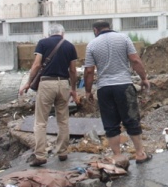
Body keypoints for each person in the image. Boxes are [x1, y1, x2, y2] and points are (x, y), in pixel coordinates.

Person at [84, 20, 152, 164]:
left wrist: (88, 91)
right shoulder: (124, 38)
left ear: (95, 30)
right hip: (124, 85)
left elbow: (89, 70)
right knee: (131, 119)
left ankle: (118, 156)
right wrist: (144, 78)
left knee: (110, 123)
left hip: (104, 88)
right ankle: (140, 153)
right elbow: (135, 61)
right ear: (110, 27)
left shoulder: (92, 45)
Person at [19, 23, 78, 167]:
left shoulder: (43, 43)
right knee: (63, 119)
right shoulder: (69, 46)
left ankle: (40, 155)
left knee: (40, 121)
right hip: (63, 83)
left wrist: (28, 82)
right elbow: (73, 70)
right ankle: (62, 152)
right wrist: (74, 89)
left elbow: (37, 65)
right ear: (62, 34)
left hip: (46, 83)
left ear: (49, 33)